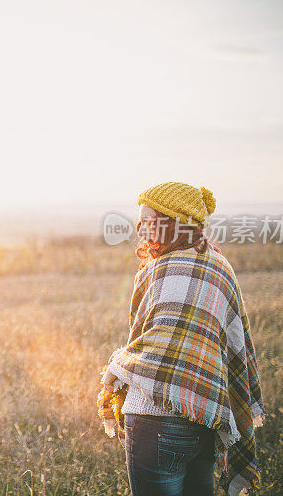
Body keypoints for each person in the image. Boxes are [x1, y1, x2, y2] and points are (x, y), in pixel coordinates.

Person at [97, 182, 266, 496]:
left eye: (147, 218)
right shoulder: (221, 268)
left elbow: (143, 345)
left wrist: (118, 366)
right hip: (205, 413)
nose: (139, 227)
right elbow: (233, 344)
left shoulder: (154, 271)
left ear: (172, 223)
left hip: (151, 420)